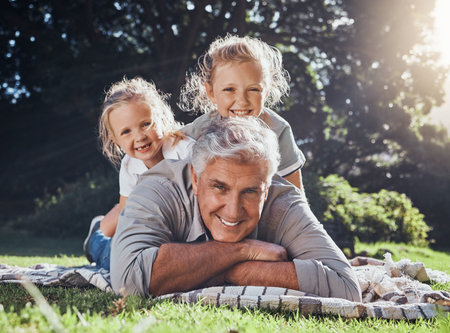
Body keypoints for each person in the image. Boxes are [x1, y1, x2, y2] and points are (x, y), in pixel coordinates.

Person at [110, 117, 361, 302]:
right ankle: (96, 237)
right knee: (104, 250)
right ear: (196, 179)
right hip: (114, 244)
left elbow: (346, 287)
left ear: (266, 188)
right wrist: (244, 250)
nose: (233, 211)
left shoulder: (284, 202)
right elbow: (128, 282)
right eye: (219, 187)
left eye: (250, 191)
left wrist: (218, 267)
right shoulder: (158, 188)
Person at [83, 76, 194, 270]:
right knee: (117, 260)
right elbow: (127, 214)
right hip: (147, 225)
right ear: (115, 139)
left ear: (161, 118)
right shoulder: (129, 165)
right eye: (126, 132)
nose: (139, 136)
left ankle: (100, 232)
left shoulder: (185, 152)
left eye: (145, 124)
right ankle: (97, 240)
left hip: (179, 227)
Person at [179, 34, 306, 191]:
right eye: (229, 89)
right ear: (211, 92)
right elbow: (168, 145)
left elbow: (295, 192)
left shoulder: (277, 130)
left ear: (266, 92)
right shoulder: (200, 129)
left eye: (253, 89)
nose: (242, 101)